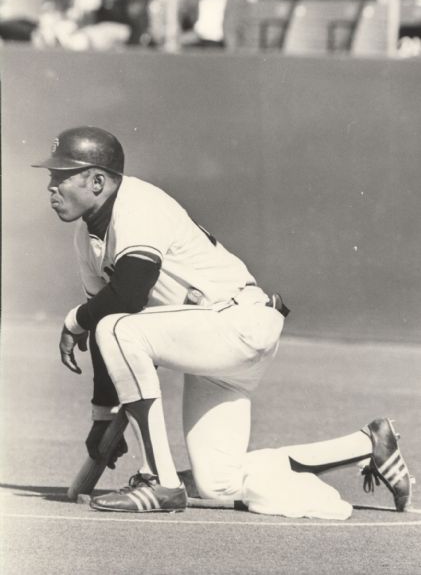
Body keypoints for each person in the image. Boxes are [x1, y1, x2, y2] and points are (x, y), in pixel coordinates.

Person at [32, 126, 413, 519]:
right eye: (51, 177)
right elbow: (107, 319)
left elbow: (125, 298)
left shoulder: (137, 204)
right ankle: (368, 444)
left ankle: (161, 482)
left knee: (118, 328)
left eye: (61, 177)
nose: (51, 187)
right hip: (212, 345)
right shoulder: (86, 238)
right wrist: (102, 417)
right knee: (218, 482)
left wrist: (74, 320)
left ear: (97, 181)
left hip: (238, 321)